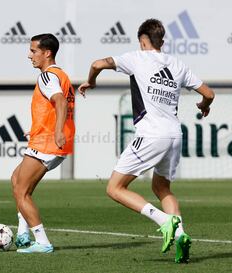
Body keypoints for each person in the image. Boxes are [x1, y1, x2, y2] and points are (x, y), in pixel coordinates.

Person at [78, 19, 214, 263]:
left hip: (151, 135)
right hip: (174, 135)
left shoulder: (137, 58)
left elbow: (97, 64)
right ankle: (180, 234)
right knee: (162, 189)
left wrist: (92, 81)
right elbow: (209, 93)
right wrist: (204, 106)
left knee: (114, 188)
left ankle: (164, 221)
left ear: (143, 40)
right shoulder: (178, 64)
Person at [11, 33, 75, 253]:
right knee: (17, 179)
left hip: (48, 143)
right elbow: (55, 107)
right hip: (47, 139)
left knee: (21, 191)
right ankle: (22, 234)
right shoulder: (61, 75)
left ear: (47, 53)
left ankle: (42, 241)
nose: (30, 55)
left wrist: (56, 132)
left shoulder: (47, 76)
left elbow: (59, 102)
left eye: (33, 51)